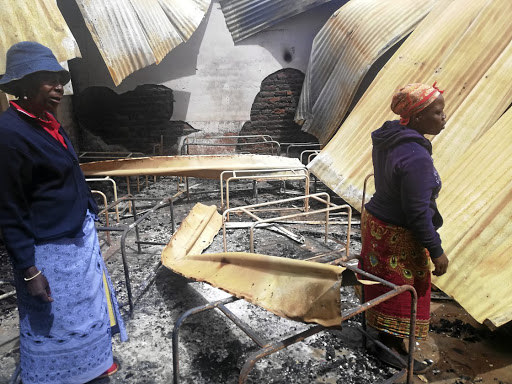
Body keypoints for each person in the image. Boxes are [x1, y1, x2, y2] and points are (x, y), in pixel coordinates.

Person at [0, 41, 127, 383]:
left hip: (75, 236)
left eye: (60, 78)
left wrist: (87, 207)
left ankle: (93, 364)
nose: (59, 86)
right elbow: (9, 210)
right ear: (23, 85)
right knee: (55, 319)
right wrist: (28, 270)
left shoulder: (47, 121)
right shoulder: (9, 135)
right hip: (48, 249)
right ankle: (60, 375)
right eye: (47, 79)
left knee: (86, 311)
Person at [359, 83, 449, 373]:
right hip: (396, 229)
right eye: (437, 112)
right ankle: (391, 349)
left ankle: (379, 334)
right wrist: (436, 251)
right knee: (407, 286)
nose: (443, 117)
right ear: (418, 117)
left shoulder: (391, 135)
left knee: (383, 278)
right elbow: (417, 212)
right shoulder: (416, 157)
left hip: (376, 220)